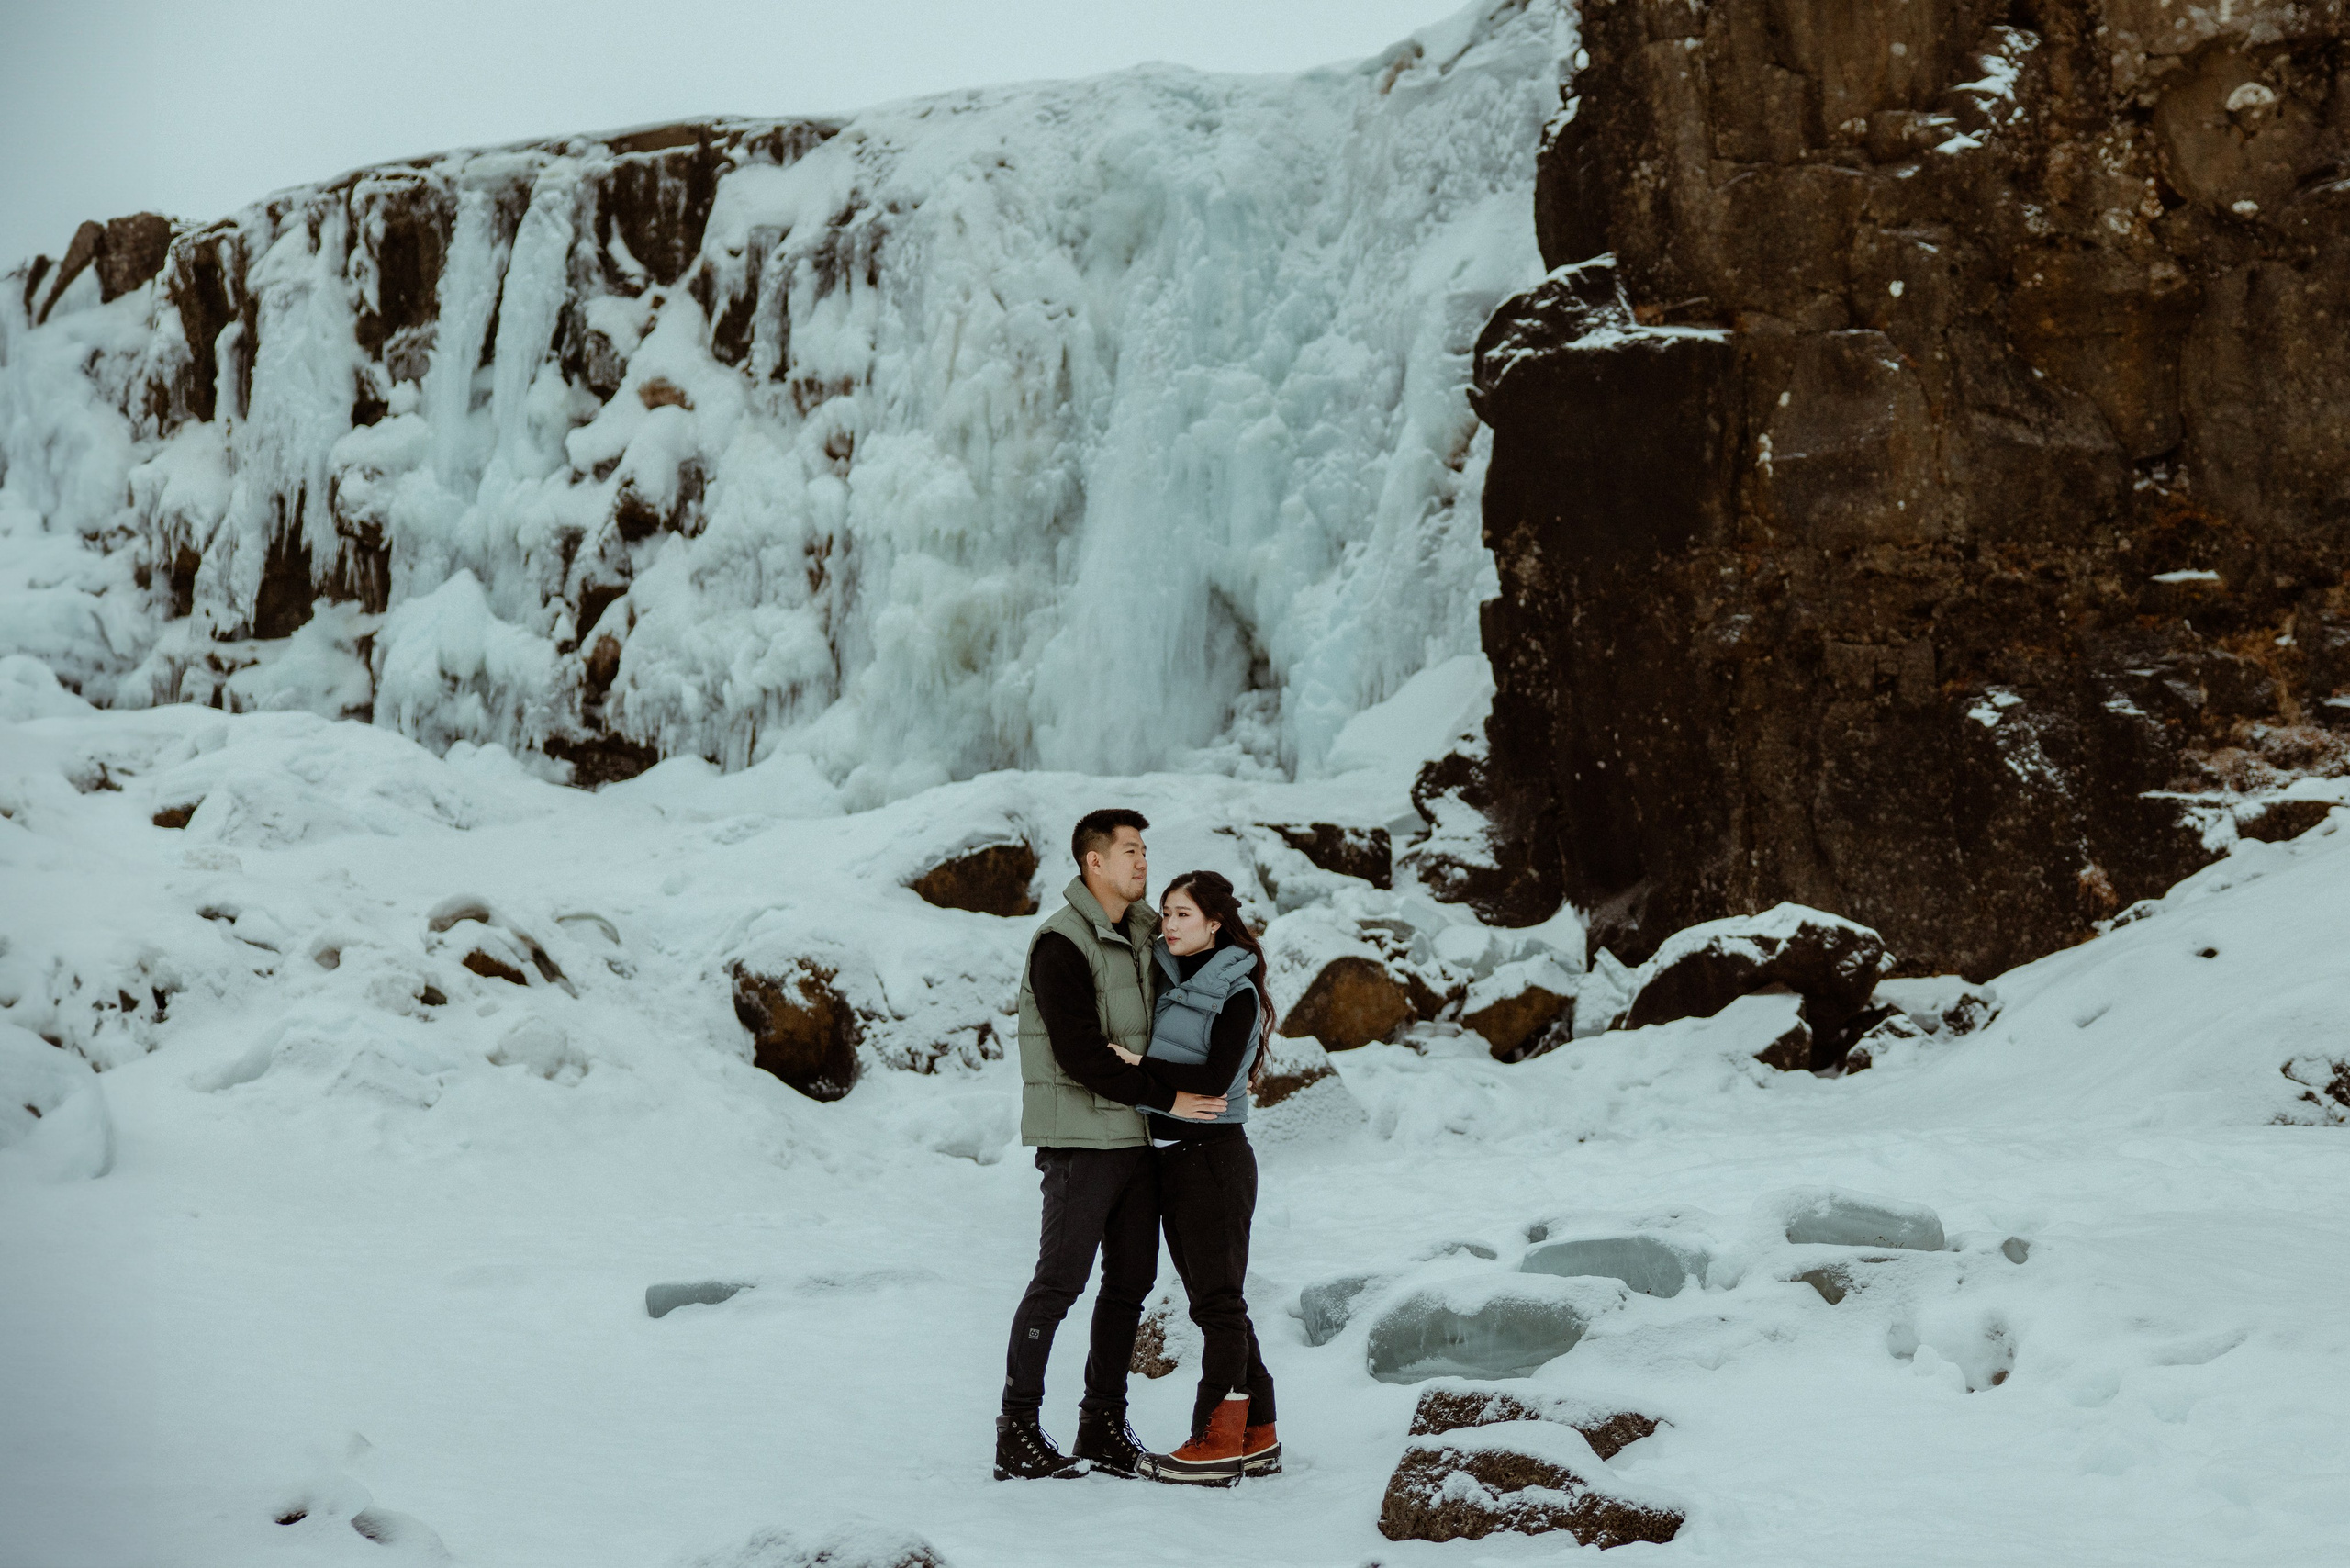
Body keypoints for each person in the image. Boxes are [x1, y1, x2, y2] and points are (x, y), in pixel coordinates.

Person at [995, 810, 1229, 1482]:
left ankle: (1100, 1424)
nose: (1143, 862)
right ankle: (1017, 1427)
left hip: (1132, 1139)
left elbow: (1209, 973)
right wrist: (1172, 1098)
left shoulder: (1148, 933)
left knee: (1130, 1282)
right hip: (1079, 1141)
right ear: (1093, 861)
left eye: (1146, 850)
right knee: (1059, 1283)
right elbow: (1078, 1054)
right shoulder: (1060, 944)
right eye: (1131, 851)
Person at [1116, 869, 1281, 1486]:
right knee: (1218, 1304)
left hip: (1214, 1159)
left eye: (1183, 914)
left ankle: (1216, 1442)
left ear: (1215, 923)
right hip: (1175, 1158)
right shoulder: (1164, 976)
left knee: (1217, 1305)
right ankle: (1258, 1434)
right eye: (1166, 913)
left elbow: (1213, 1080)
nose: (1170, 924)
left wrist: (1139, 1065)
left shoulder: (1236, 993)